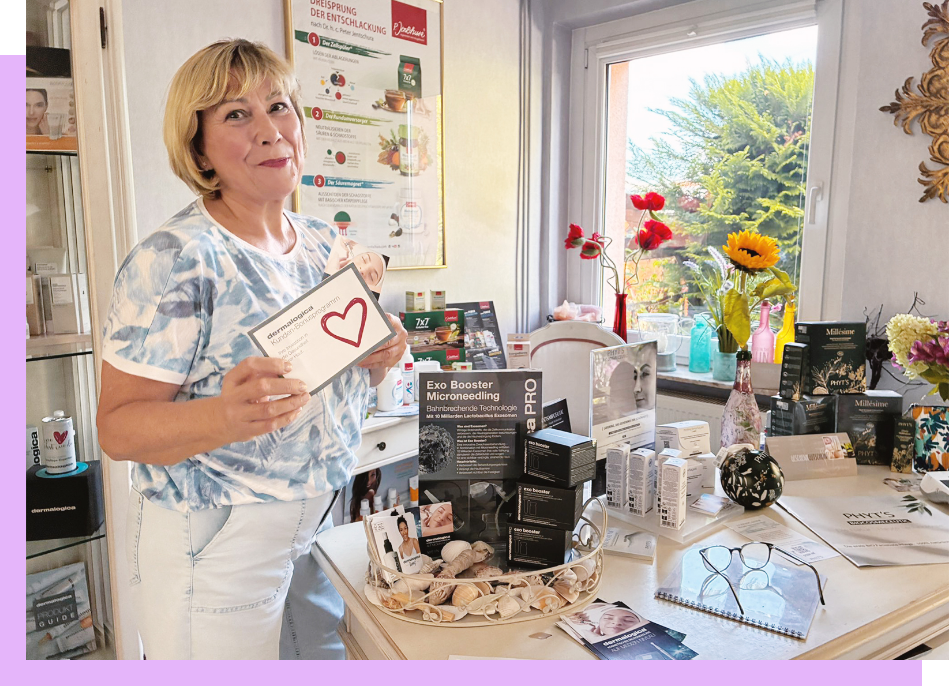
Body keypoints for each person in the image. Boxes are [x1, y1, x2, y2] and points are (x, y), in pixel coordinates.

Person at [95, 39, 407, 660]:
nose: (271, 132)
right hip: (216, 539)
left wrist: (378, 357)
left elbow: (333, 385)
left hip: (315, 521)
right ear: (197, 144)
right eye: (237, 114)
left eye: (280, 106)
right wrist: (221, 416)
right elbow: (117, 429)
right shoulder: (176, 260)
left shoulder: (324, 245)